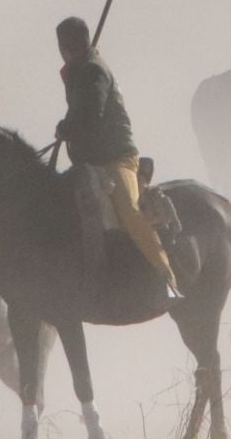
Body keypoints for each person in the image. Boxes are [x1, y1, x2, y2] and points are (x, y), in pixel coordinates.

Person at [54, 16, 180, 302]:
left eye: (70, 46)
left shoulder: (94, 72)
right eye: (65, 47)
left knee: (129, 209)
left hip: (118, 158)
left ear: (78, 45)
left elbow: (92, 111)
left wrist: (67, 127)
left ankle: (166, 276)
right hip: (91, 160)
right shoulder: (79, 71)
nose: (67, 51)